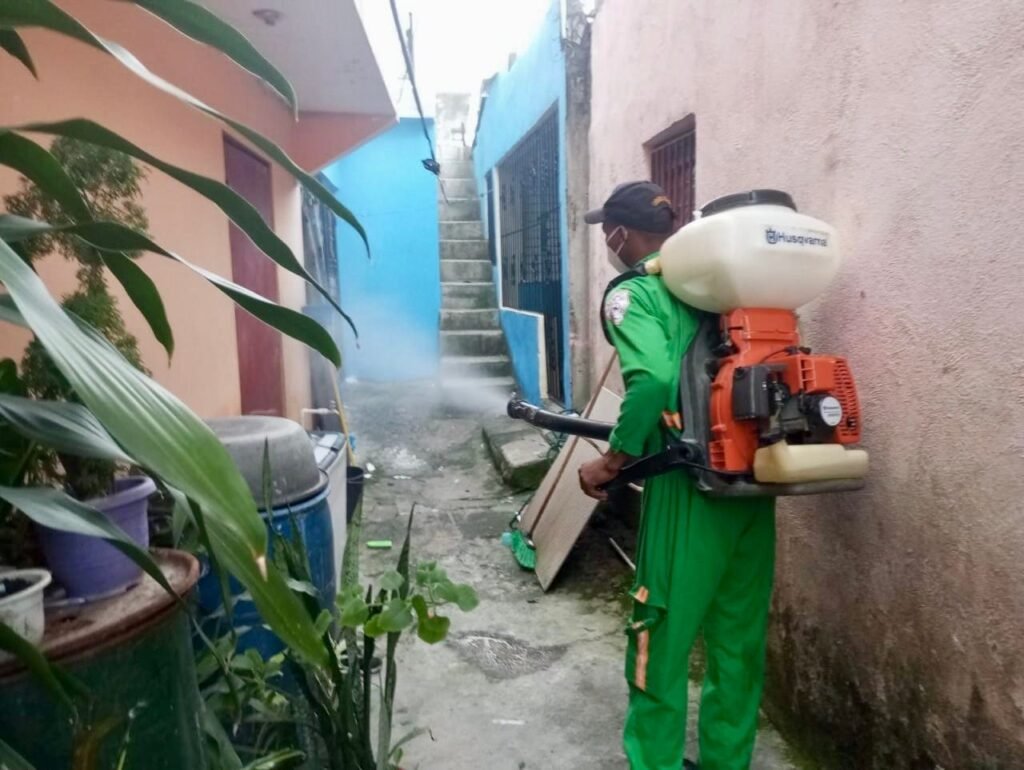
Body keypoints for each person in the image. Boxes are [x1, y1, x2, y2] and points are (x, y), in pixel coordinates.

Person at [579, 181, 776, 770]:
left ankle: (656, 762)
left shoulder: (636, 292)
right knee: (737, 643)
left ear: (619, 234)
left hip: (688, 488)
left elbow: (653, 383)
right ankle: (726, 762)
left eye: (608, 232)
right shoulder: (728, 289)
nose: (609, 241)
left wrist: (612, 460)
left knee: (658, 638)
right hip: (756, 481)